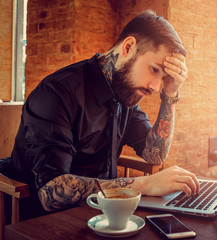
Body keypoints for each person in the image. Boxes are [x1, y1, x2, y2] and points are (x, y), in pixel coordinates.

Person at [3, 10, 200, 220]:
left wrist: (170, 95)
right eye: (154, 69)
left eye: (164, 77)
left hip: (104, 214)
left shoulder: (127, 95)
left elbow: (155, 155)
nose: (155, 86)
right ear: (128, 47)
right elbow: (51, 192)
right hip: (38, 220)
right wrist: (143, 185)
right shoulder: (56, 92)